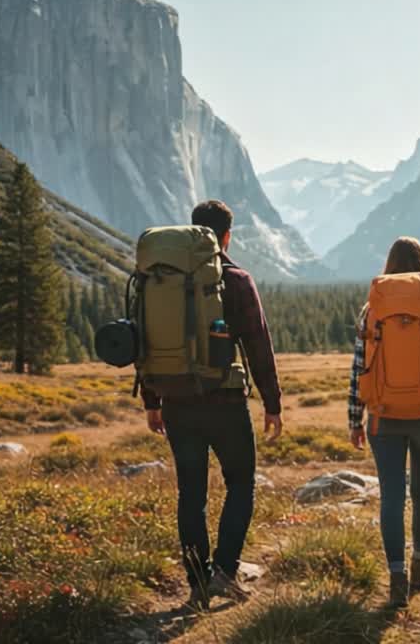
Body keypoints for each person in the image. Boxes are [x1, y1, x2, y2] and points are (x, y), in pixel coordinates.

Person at [142, 200, 284, 608]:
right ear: (226, 236)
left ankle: (197, 583)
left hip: (176, 400)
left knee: (191, 494)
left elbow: (146, 341)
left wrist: (152, 400)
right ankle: (224, 571)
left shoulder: (159, 280)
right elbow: (258, 343)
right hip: (225, 400)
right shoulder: (236, 279)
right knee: (240, 482)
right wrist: (272, 403)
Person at [348, 236, 420, 608]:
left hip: (383, 417)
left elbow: (359, 367)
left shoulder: (372, 311)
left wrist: (355, 418)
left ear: (389, 265)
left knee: (392, 497)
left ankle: (396, 574)